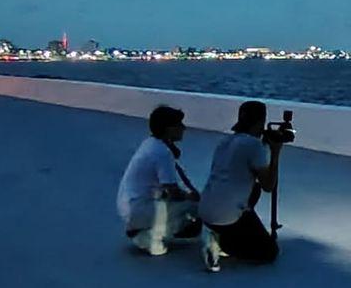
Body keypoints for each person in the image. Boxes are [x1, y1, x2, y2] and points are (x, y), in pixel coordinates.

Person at [198, 100, 280, 272]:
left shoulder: (226, 141)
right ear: (261, 122)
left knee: (254, 189)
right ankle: (221, 243)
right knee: (269, 252)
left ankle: (220, 233)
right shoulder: (254, 145)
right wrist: (275, 153)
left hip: (205, 210)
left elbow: (241, 161)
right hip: (225, 217)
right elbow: (269, 185)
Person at [117, 105, 202, 255]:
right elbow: (173, 192)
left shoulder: (150, 143)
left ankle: (143, 231)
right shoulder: (162, 153)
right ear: (169, 129)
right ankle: (150, 234)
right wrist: (193, 197)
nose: (184, 128)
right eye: (179, 125)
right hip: (139, 209)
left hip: (130, 205)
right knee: (197, 207)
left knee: (183, 206)